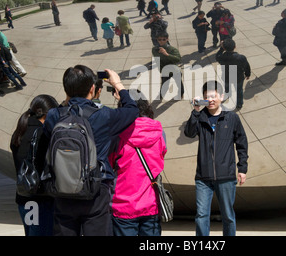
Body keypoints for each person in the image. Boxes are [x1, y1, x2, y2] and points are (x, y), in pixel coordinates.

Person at [43, 66, 139, 236]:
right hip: (95, 188)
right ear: (93, 89)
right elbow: (132, 110)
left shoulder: (53, 115)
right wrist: (118, 85)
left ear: (66, 90)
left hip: (62, 188)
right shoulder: (103, 115)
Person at [184, 80, 248, 236]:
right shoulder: (201, 117)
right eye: (207, 97)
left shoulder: (231, 118)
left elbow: (242, 143)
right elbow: (189, 133)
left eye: (213, 96)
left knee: (228, 216)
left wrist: (242, 168)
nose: (211, 100)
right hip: (203, 177)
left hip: (226, 175)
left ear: (222, 96)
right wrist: (195, 111)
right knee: (201, 216)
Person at [109, 90, 167, 236]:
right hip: (151, 203)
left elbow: (110, 163)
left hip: (123, 203)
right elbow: (161, 156)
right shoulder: (159, 132)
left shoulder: (118, 134)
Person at [10, 94, 59, 236]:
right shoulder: (42, 134)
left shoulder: (19, 132)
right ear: (48, 114)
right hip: (41, 200)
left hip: (24, 198)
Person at [215, 38, 251, 110]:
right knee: (239, 90)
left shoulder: (221, 57)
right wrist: (247, 74)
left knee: (227, 86)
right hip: (238, 78)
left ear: (224, 48)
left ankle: (227, 94)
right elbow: (247, 66)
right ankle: (239, 104)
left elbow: (217, 56)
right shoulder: (241, 57)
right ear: (235, 47)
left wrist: (221, 48)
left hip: (226, 77)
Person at [152, 31, 184, 100]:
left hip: (175, 71)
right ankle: (162, 94)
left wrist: (167, 54)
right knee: (164, 84)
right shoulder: (155, 50)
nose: (161, 41)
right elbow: (158, 61)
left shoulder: (172, 49)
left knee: (179, 84)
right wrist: (160, 70)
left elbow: (178, 59)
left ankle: (181, 94)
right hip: (165, 71)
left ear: (167, 39)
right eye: (159, 39)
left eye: (164, 39)